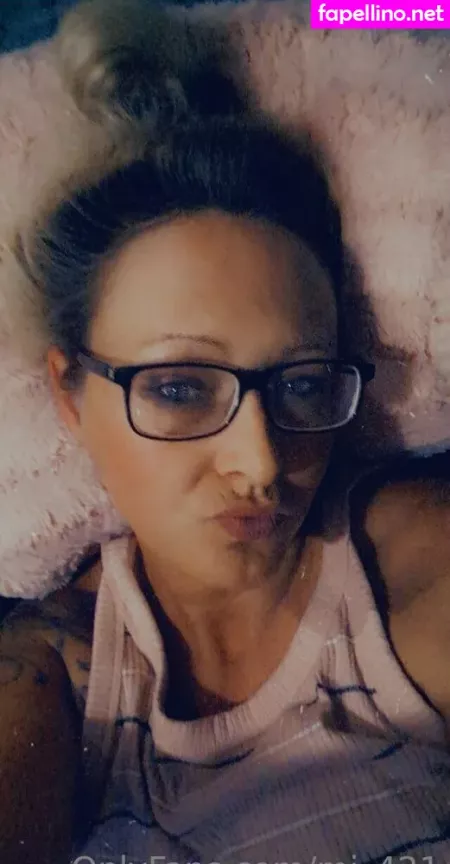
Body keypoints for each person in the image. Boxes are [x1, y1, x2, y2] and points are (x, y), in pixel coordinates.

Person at [1, 2, 450, 863]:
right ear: (69, 392)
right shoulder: (50, 676)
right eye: (179, 388)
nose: (262, 461)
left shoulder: (406, 567)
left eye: (304, 384)